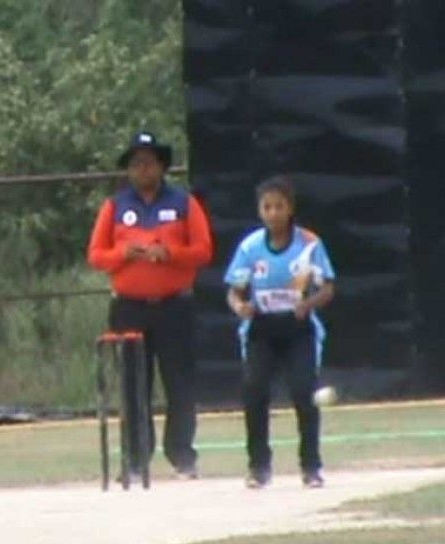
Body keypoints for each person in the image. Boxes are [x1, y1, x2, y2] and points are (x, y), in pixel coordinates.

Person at [87, 131, 213, 479]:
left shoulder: (184, 203)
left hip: (174, 306)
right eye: (136, 163)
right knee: (133, 387)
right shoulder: (115, 206)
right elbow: (96, 255)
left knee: (180, 383)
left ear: (161, 166)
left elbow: (204, 251)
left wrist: (170, 253)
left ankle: (182, 455)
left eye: (149, 162)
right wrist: (123, 253)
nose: (143, 169)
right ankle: (135, 460)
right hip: (130, 307)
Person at [223, 176, 336, 488]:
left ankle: (310, 467)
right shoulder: (250, 247)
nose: (273, 213)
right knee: (254, 391)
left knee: (303, 392)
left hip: (298, 329)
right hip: (261, 329)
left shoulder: (309, 244)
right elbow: (234, 291)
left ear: (290, 209)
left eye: (279, 206)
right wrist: (240, 307)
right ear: (260, 211)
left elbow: (327, 287)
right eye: (267, 207)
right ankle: (258, 466)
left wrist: (308, 304)